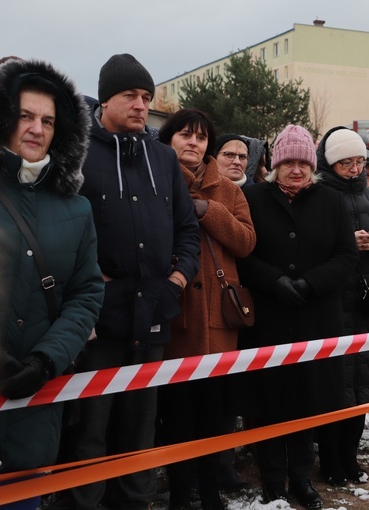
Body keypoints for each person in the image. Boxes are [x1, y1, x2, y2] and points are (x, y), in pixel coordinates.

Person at [0, 59, 105, 509]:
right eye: (25, 115)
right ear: (2, 119)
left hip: (34, 411)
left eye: (48, 120)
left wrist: (45, 360)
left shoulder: (77, 210)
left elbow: (87, 293)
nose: (36, 128)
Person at [52, 54, 200, 510]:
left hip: (153, 314)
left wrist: (176, 281)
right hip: (96, 321)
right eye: (131, 96)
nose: (141, 105)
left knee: (139, 428)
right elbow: (56, 227)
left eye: (147, 97)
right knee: (90, 431)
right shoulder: (74, 153)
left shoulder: (163, 158)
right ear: (106, 99)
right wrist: (83, 278)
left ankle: (135, 504)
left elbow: (187, 229)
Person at [231, 124, 357, 509]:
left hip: (315, 319)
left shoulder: (331, 201)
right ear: (275, 164)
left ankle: (301, 478)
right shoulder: (252, 197)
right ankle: (272, 479)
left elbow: (347, 257)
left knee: (307, 401)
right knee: (268, 402)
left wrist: (309, 284)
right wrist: (275, 281)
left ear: (313, 165)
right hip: (268, 319)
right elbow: (241, 253)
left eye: (304, 162)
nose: (297, 170)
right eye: (289, 162)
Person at [156, 109, 256, 510]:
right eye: (185, 135)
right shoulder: (154, 181)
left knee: (215, 413)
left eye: (200, 137)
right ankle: (181, 493)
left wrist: (209, 211)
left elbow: (247, 242)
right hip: (175, 317)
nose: (193, 143)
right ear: (168, 140)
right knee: (177, 415)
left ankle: (212, 492)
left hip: (218, 322)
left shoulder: (228, 190)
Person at [315, 127, 369, 487]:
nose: (354, 170)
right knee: (332, 385)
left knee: (363, 387)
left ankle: (350, 456)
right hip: (331, 304)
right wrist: (347, 245)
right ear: (329, 163)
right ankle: (329, 459)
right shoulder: (315, 196)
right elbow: (306, 249)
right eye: (345, 163)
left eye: (358, 163)